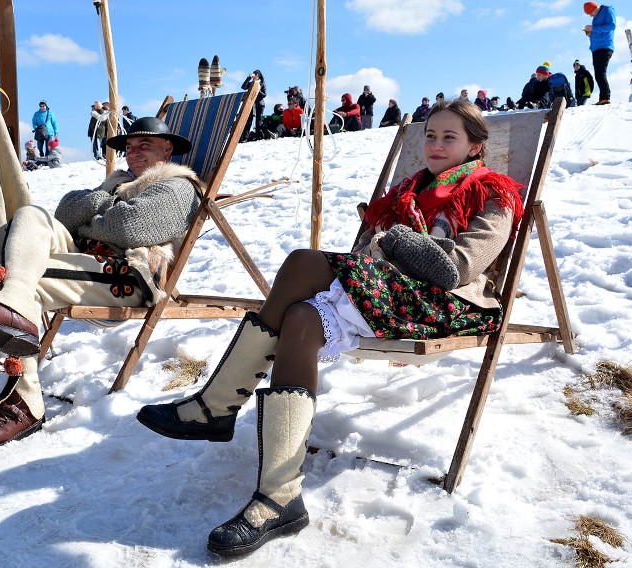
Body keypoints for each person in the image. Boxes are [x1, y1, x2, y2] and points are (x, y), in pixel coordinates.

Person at [137, 98, 525, 557]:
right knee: (300, 317)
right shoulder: (403, 193)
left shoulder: (492, 192)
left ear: (475, 146)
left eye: (449, 137)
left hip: (445, 304)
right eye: (430, 134)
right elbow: (364, 255)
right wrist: (383, 240)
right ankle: (279, 497)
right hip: (389, 294)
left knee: (303, 262)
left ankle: (216, 406)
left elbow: (456, 268)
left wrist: (393, 238)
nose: (436, 144)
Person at [0, 117, 201, 452]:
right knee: (30, 216)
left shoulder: (176, 186)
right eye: (129, 147)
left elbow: (129, 228)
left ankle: (26, 401)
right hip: (90, 262)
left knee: (22, 275)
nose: (133, 153)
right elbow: (65, 213)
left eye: (144, 145)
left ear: (167, 148)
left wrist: (92, 215)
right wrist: (102, 212)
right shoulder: (120, 182)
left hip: (127, 277)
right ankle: (8, 301)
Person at [583, 2, 615, 105]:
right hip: (596, 48)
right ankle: (603, 98)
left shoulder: (607, 10)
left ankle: (605, 97)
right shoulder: (595, 17)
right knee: (598, 74)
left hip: (605, 47)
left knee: (600, 73)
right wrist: (589, 33)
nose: (590, 15)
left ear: (594, 8)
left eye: (590, 13)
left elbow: (611, 26)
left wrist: (593, 28)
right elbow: (597, 31)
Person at [241, 70, 267, 141]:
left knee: (258, 120)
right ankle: (245, 137)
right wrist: (248, 78)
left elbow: (264, 94)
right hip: (251, 104)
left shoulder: (261, 83)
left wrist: (258, 90)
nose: (254, 75)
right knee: (249, 120)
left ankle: (258, 136)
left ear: (258, 76)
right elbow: (243, 87)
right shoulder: (251, 83)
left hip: (259, 104)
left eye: (255, 74)